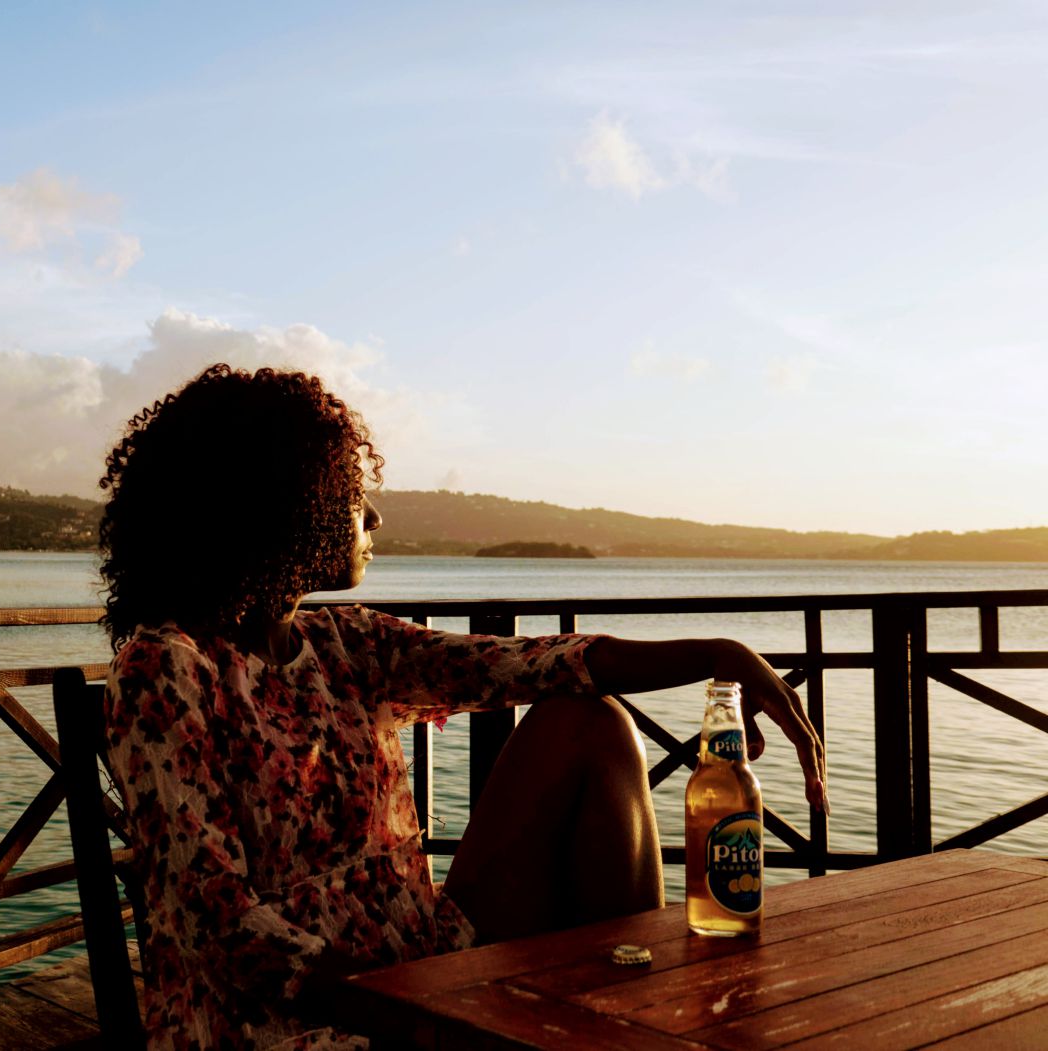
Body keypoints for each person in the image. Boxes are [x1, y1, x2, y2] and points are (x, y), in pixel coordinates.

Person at [98, 363, 827, 1051]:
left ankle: (633, 1011)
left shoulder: (343, 643)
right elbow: (216, 925)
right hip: (295, 1016)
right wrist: (408, 1001)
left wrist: (719, 654)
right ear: (285, 501)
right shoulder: (168, 668)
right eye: (351, 492)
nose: (373, 514)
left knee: (589, 722)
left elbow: (533, 663)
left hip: (421, 962)